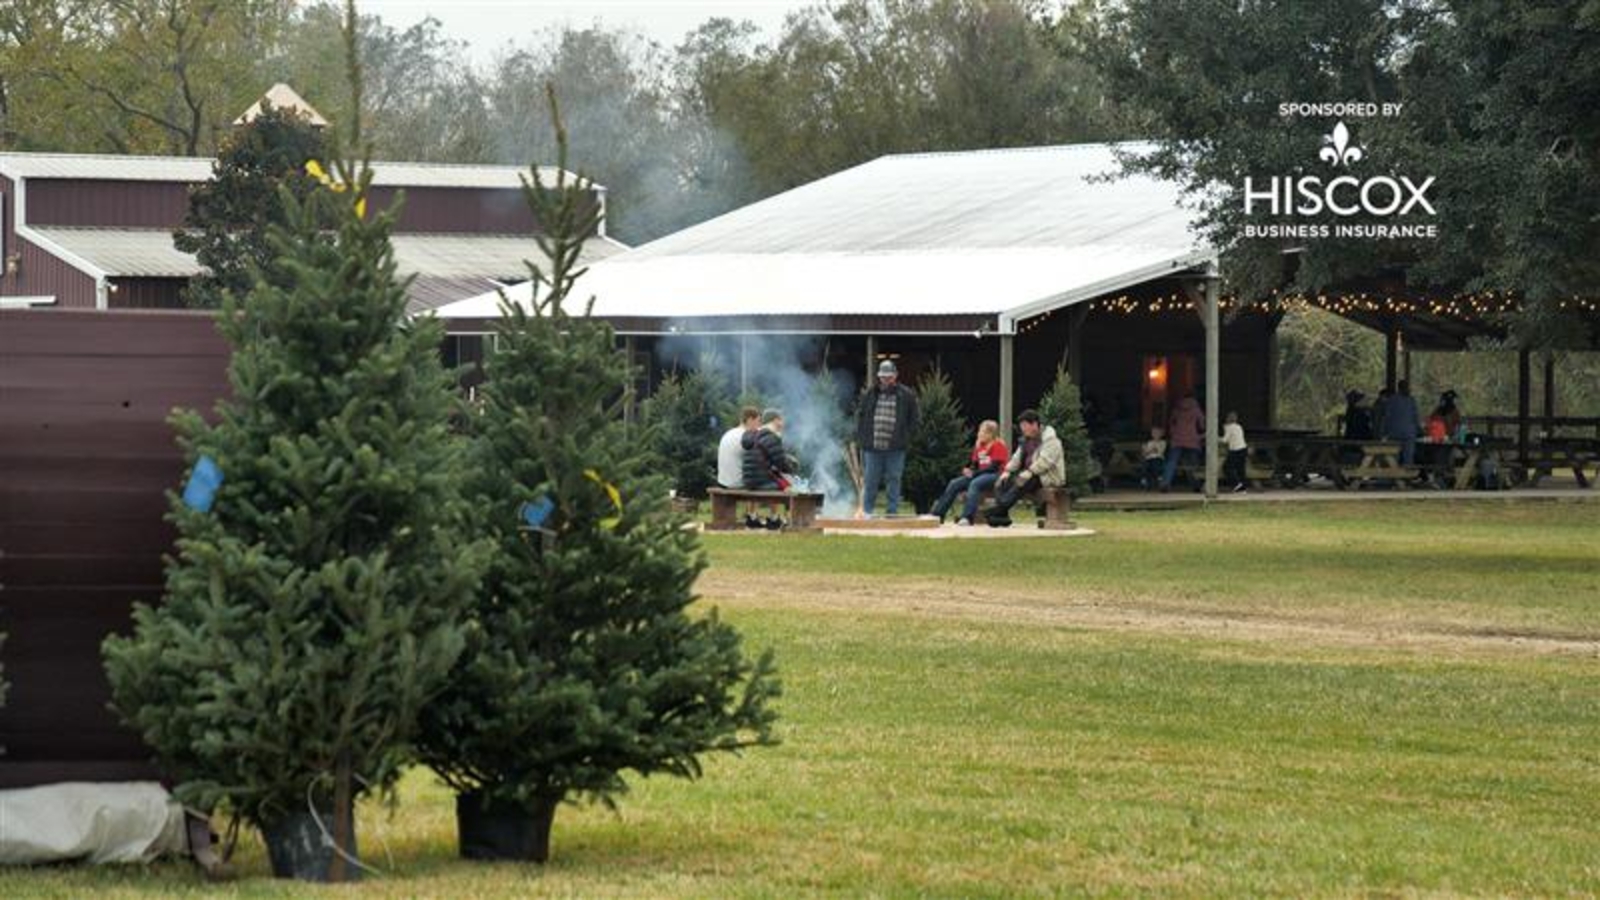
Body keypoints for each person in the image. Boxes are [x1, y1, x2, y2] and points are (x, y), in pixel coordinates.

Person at [853, 359, 920, 517]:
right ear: (879, 377)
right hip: (872, 447)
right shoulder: (870, 393)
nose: (886, 380)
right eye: (883, 377)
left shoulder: (907, 395)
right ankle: (867, 512)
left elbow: (915, 419)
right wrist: (862, 438)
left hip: (896, 447)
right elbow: (861, 416)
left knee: (894, 479)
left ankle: (892, 512)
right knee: (871, 481)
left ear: (895, 376)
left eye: (889, 376)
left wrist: (906, 437)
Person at [985, 410, 1064, 527]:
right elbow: (1016, 458)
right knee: (1001, 482)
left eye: (1025, 426)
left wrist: (1030, 472)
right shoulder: (1025, 440)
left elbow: (1045, 462)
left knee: (1022, 481)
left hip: (1046, 477)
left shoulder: (1051, 440)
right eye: (1022, 427)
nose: (1023, 430)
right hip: (1027, 474)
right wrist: (1007, 471)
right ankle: (1002, 516)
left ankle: (997, 510)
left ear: (1035, 424)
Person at [929, 419, 1010, 525]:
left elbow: (994, 467)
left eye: (984, 432)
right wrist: (969, 470)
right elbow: (975, 465)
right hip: (980, 474)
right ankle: (938, 514)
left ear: (991, 434)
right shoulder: (979, 446)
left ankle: (967, 517)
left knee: (975, 483)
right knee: (954, 483)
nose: (980, 434)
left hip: (996, 475)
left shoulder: (998, 445)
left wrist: (975, 474)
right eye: (980, 431)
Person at [741, 408, 797, 529]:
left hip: (749, 481)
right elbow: (781, 463)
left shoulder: (754, 435)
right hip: (761, 481)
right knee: (791, 487)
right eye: (781, 420)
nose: (783, 423)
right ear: (775, 420)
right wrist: (792, 470)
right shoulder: (771, 437)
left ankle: (775, 518)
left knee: (781, 481)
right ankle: (785, 520)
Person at [717, 405, 762, 526]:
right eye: (758, 421)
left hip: (723, 481)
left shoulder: (729, 433)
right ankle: (753, 516)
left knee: (751, 472)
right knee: (760, 476)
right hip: (736, 483)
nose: (759, 425)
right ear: (750, 420)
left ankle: (750, 514)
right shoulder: (746, 436)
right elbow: (758, 461)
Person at [1160, 391, 1205, 492]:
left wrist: (1173, 432)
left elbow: (1171, 422)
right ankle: (1196, 484)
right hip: (1192, 440)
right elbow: (1202, 425)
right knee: (1192, 464)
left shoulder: (1177, 409)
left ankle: (1165, 483)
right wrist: (1199, 434)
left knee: (1171, 462)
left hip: (1177, 439)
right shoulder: (1196, 410)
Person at [1386, 379, 1422, 465]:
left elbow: (1387, 416)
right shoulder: (1410, 400)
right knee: (1406, 456)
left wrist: (1386, 430)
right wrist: (1418, 428)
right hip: (1406, 433)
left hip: (1397, 432)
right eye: (1407, 387)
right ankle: (1402, 474)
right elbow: (1415, 416)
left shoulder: (1392, 400)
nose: (1408, 389)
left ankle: (1400, 474)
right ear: (1401, 388)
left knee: (1400, 456)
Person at [1222, 411, 1249, 493]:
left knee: (1227, 467)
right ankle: (1243, 487)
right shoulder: (1239, 426)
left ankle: (1237, 484)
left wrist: (1215, 437)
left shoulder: (1228, 427)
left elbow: (1225, 440)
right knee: (1241, 469)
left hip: (1235, 450)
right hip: (1243, 448)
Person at [1140, 426, 1167, 491]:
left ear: (1161, 434)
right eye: (1154, 433)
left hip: (1158, 459)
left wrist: (1149, 450)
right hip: (1148, 459)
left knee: (1155, 465)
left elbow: (1159, 451)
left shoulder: (1163, 442)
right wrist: (1148, 450)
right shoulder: (1149, 442)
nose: (1155, 435)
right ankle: (1145, 481)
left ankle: (1159, 479)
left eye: (1157, 433)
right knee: (1145, 466)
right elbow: (1145, 453)